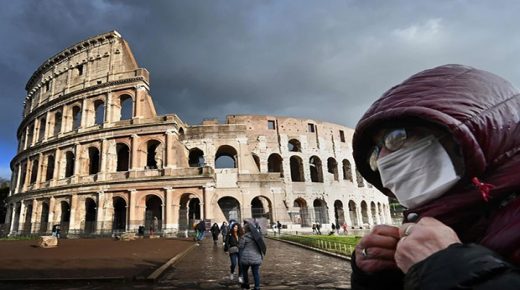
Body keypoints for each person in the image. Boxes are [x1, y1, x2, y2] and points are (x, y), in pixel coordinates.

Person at [350, 64, 520, 289]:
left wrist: (448, 268)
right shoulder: (445, 219)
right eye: (375, 152)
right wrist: (381, 278)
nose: (381, 159)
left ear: (469, 131)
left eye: (396, 137)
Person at [239, 222, 265, 290]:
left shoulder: (244, 237)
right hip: (256, 257)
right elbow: (261, 245)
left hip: (245, 258)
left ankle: (246, 284)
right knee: (256, 273)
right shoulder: (258, 237)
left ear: (246, 230)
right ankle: (257, 287)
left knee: (245, 272)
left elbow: (241, 246)